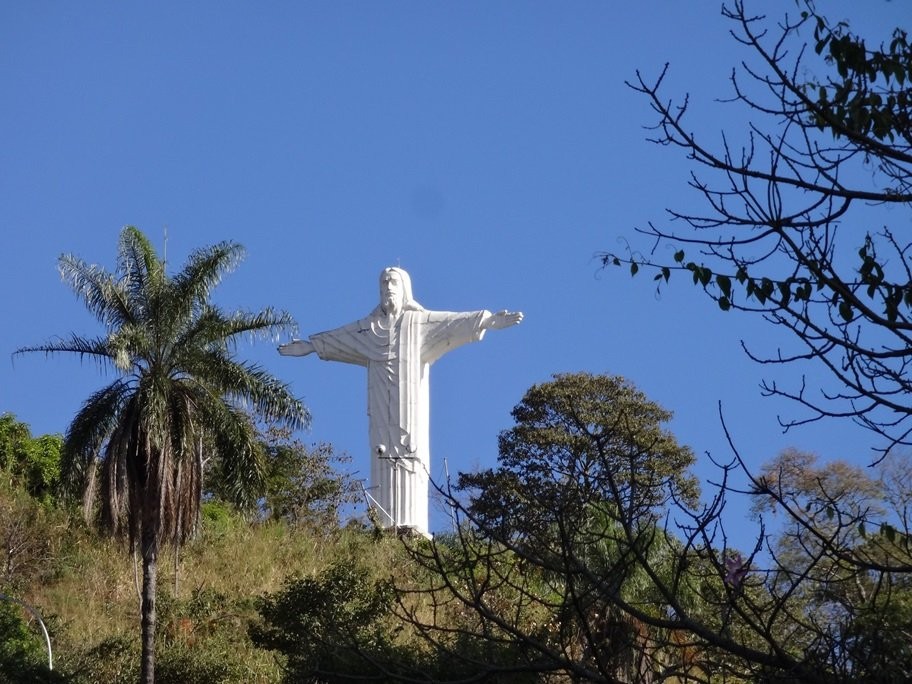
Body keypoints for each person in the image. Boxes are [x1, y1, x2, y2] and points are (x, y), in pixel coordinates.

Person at [279, 267, 522, 536]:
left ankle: (410, 524)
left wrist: (487, 321)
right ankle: (384, 524)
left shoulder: (418, 323)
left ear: (404, 288)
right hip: (381, 409)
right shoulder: (369, 329)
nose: (387, 287)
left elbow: (453, 322)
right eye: (383, 283)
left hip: (410, 411)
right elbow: (341, 337)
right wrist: (311, 346)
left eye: (393, 281)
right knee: (381, 452)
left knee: (409, 454)